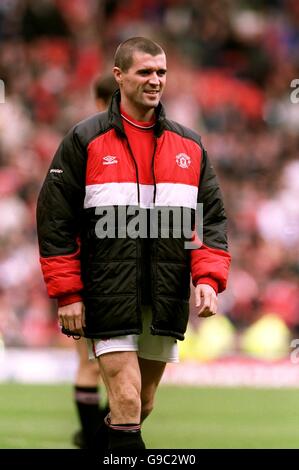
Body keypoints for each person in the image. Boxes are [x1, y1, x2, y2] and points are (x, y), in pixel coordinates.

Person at [36, 36, 231, 450]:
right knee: (124, 399)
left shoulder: (190, 145)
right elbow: (54, 219)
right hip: (108, 292)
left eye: (161, 72)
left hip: (165, 294)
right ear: (119, 76)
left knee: (142, 403)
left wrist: (208, 279)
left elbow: (210, 219)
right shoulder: (84, 139)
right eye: (145, 71)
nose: (155, 80)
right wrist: (68, 293)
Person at [71, 73, 118, 450]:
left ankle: (92, 438)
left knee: (89, 363)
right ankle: (96, 439)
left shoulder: (81, 140)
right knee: (118, 368)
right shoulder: (94, 142)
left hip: (85, 268)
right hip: (107, 269)